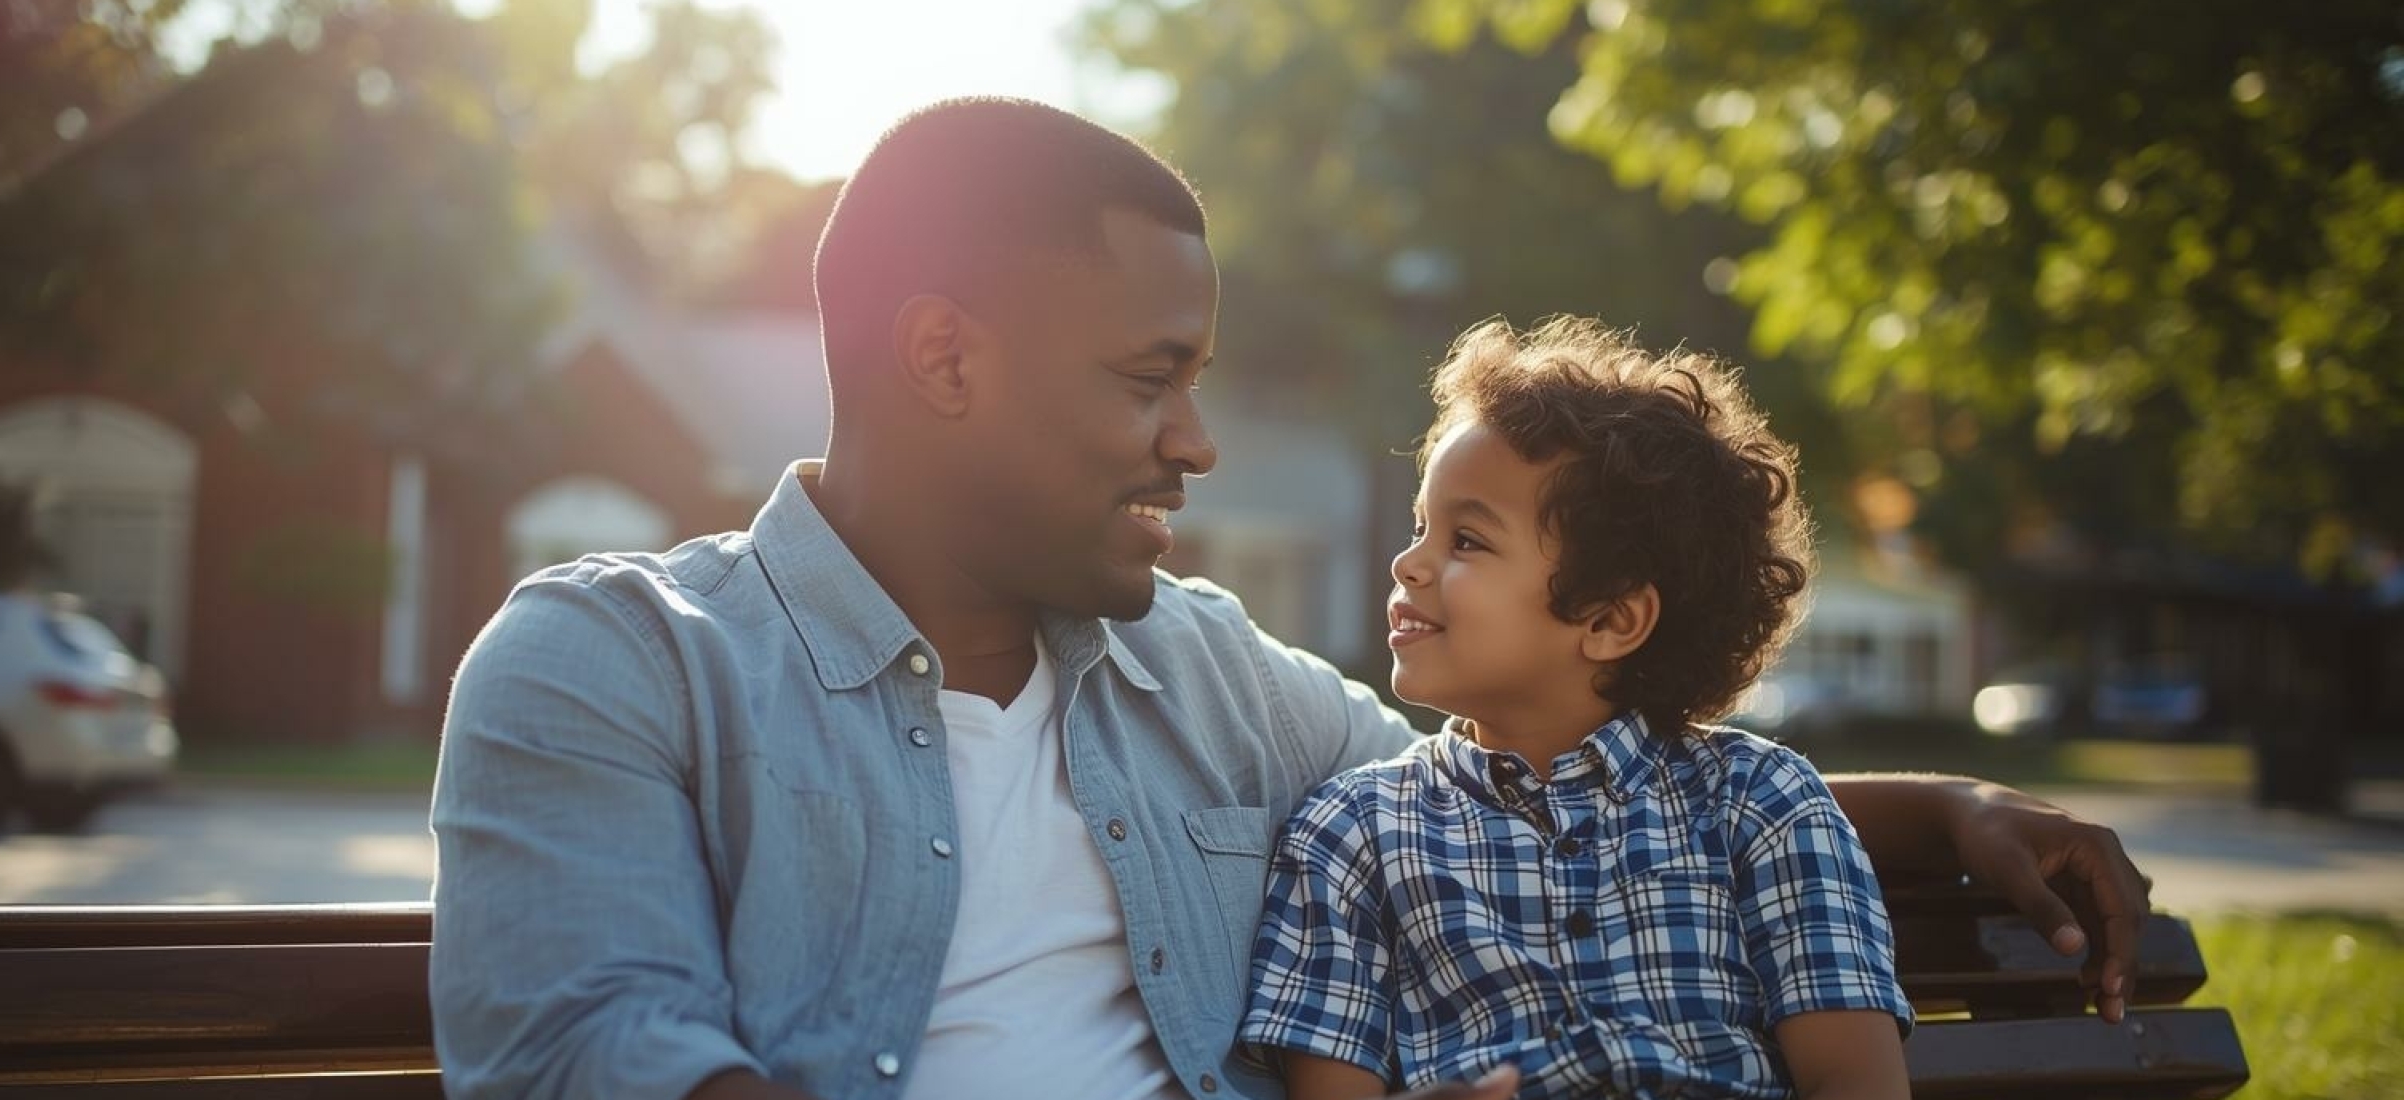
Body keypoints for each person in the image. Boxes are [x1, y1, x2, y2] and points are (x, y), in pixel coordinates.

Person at [428, 97, 2149, 1100]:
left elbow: (1552, 774)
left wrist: (1939, 806)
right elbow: (594, 1046)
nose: (1195, 441)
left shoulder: (1206, 677)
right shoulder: (612, 664)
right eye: (1147, 377)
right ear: (942, 357)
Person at [1242, 317, 1907, 1100]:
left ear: (1610, 621)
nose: (1408, 562)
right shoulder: (1352, 835)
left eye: (1468, 541)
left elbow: (1853, 1081)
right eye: (1423, 525)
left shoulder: (1763, 806)